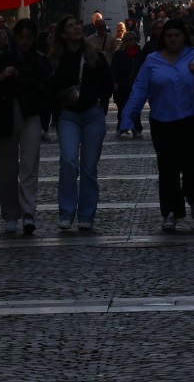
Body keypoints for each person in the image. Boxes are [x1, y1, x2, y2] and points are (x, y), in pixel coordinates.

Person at [119, 16, 194, 231]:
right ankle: (171, 211)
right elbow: (139, 90)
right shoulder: (152, 61)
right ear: (162, 38)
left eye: (177, 35)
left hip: (192, 121)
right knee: (168, 170)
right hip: (163, 122)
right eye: (169, 35)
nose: (173, 39)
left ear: (184, 37)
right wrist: (127, 118)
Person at [0, 20, 53, 235]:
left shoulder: (40, 61)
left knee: (29, 165)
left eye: (28, 37)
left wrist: (21, 78)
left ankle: (28, 212)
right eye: (21, 36)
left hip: (30, 115)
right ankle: (11, 214)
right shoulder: (1, 58)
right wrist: (2, 76)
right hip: (5, 116)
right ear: (16, 37)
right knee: (8, 168)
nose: (24, 41)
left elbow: (45, 90)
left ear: (33, 38)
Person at [48, 16, 115, 232]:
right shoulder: (56, 58)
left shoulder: (94, 55)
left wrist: (101, 105)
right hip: (68, 115)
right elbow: (50, 87)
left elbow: (107, 83)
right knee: (68, 162)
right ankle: (66, 212)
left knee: (88, 168)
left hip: (93, 115)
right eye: (70, 26)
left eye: (78, 24)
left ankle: (86, 215)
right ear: (63, 33)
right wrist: (56, 112)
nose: (76, 28)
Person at [109, 21, 144, 138]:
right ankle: (121, 127)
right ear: (125, 41)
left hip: (136, 84)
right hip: (123, 84)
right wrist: (114, 82)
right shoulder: (119, 54)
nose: (132, 41)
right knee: (122, 107)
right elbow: (114, 69)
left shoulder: (139, 53)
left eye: (134, 39)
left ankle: (136, 128)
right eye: (130, 39)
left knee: (135, 107)